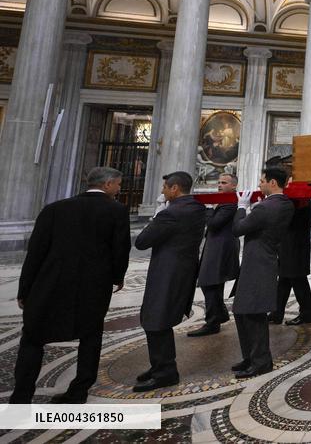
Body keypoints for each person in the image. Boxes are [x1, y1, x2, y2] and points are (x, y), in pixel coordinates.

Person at [10, 167, 131, 404]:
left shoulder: (55, 209)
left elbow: (35, 253)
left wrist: (25, 289)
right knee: (91, 337)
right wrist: (117, 277)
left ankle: (21, 396)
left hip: (50, 284)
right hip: (94, 287)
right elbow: (120, 249)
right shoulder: (116, 210)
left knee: (33, 339)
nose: (119, 189)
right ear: (107, 184)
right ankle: (79, 391)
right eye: (118, 184)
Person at [133, 171, 206, 392]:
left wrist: (157, 216)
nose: (163, 192)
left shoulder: (170, 213)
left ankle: (165, 372)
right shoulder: (197, 208)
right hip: (183, 271)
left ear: (175, 189)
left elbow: (142, 242)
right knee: (160, 318)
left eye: (165, 188)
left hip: (167, 273)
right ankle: (159, 365)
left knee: (156, 320)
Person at [231, 166, 295, 378]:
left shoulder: (265, 208)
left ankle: (260, 361)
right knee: (242, 310)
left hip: (257, 262)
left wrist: (242, 208)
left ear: (273, 183)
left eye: (262, 180)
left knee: (253, 313)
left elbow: (238, 228)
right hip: (263, 259)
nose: (259, 184)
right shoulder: (285, 204)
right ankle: (250, 356)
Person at [189, 173, 240, 337]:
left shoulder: (230, 202)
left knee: (209, 282)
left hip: (221, 247)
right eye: (218, 182)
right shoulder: (224, 201)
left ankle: (213, 321)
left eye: (224, 183)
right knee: (211, 283)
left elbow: (214, 224)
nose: (219, 185)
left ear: (233, 186)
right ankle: (218, 316)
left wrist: (210, 208)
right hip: (215, 246)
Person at [272, 196, 311, 326]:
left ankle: (306, 315)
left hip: (296, 249)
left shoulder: (303, 201)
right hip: (288, 247)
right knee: (283, 282)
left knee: (299, 283)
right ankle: (276, 314)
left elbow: (291, 222)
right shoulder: (295, 201)